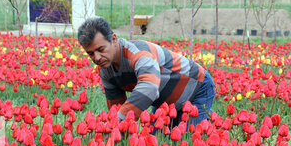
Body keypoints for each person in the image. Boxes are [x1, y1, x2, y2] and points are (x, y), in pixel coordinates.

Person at [77, 17, 215, 128]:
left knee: (190, 140)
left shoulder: (139, 53)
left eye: (101, 49)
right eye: (90, 53)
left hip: (196, 87)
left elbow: (149, 87)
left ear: (113, 39)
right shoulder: (105, 69)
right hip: (165, 101)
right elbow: (116, 105)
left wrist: (117, 123)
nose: (97, 58)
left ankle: (215, 126)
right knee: (156, 144)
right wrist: (115, 129)